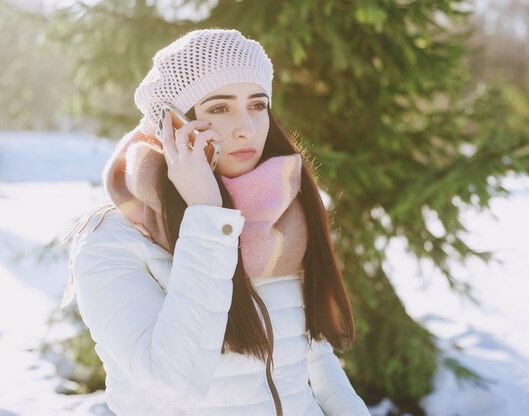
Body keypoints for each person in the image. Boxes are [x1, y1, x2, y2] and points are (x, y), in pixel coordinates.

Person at [62, 29, 371, 416]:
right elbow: (174, 383)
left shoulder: (281, 215)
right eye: (220, 108)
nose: (247, 128)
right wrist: (206, 215)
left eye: (257, 105)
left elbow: (315, 358)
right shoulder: (114, 241)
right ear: (171, 123)